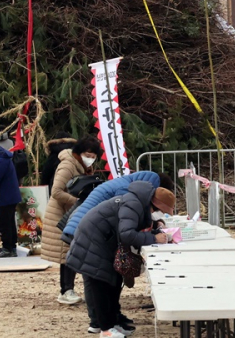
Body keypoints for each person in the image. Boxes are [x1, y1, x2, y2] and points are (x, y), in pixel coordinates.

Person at [65, 182, 176, 337]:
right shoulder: (134, 204)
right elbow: (127, 234)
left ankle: (113, 323)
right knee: (101, 285)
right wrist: (153, 238)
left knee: (114, 283)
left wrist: (154, 231)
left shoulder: (138, 202)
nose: (157, 213)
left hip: (103, 240)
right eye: (158, 210)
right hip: (93, 241)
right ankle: (105, 329)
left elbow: (132, 227)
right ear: (154, 204)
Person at [43, 137, 102, 306]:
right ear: (78, 153)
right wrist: (79, 202)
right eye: (87, 155)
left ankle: (68, 289)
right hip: (61, 214)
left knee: (72, 251)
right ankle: (66, 290)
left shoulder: (83, 166)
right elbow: (56, 191)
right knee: (66, 252)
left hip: (72, 213)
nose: (90, 159)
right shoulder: (68, 165)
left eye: (93, 156)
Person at [62, 170, 172, 242]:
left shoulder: (127, 183)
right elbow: (126, 223)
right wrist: (153, 237)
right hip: (82, 230)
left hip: (80, 225)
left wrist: (155, 224)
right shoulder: (125, 191)